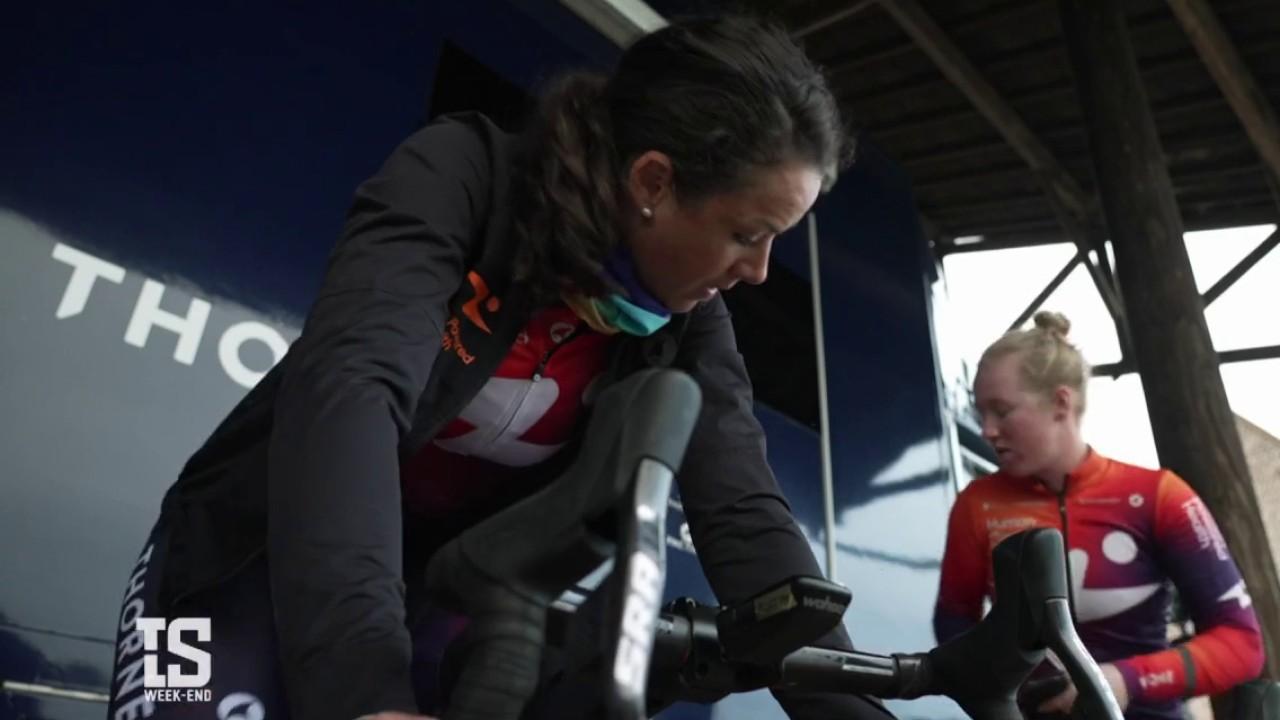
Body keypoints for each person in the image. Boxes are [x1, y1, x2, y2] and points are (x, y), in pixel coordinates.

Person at [106, 15, 894, 720]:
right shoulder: (465, 175)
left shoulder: (689, 321)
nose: (759, 271)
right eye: (748, 233)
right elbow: (353, 393)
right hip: (244, 550)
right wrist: (366, 698)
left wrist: (855, 704)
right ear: (653, 181)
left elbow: (743, 514)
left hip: (440, 597)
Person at [934, 311, 1265, 720]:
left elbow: (1241, 644)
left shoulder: (1157, 495)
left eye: (1001, 411)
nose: (986, 429)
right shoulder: (976, 504)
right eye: (979, 411)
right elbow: (953, 628)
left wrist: (1124, 680)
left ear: (1060, 403)